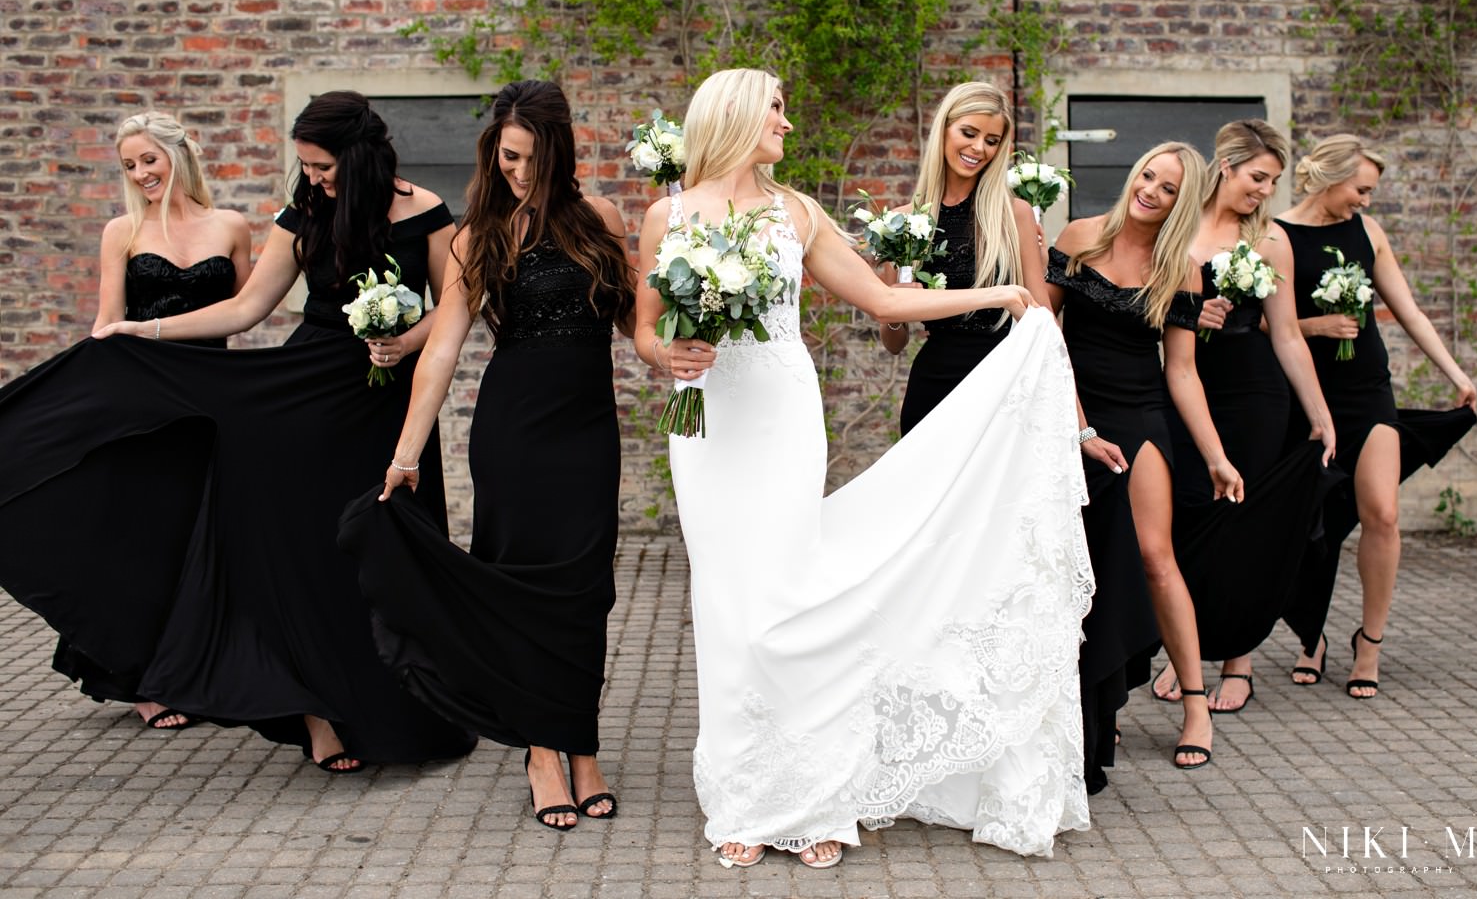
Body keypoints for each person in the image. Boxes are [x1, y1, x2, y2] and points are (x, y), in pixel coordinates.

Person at [635, 68, 1094, 870]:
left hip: (780, 414)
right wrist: (666, 353)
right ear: (739, 114)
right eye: (776, 107)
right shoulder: (664, 214)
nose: (787, 119)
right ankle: (745, 795)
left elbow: (883, 305)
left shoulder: (797, 212)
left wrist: (1000, 295)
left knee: (792, 597)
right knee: (726, 601)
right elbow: (644, 329)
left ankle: (815, 800)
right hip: (706, 422)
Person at [39, 91, 477, 771]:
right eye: (305, 166)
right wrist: (140, 329)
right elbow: (245, 308)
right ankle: (317, 714)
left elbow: (456, 304)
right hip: (303, 396)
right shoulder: (303, 213)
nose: (313, 178)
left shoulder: (425, 212)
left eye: (323, 166)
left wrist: (406, 339)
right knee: (306, 552)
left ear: (360, 158)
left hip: (385, 403)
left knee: (387, 554)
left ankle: (407, 707)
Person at [335, 80, 633, 830]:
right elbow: (441, 351)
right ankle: (542, 751)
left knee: (585, 589)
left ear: (561, 149)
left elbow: (638, 323)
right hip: (514, 433)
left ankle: (583, 747)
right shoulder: (479, 233)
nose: (518, 172)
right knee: (525, 585)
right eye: (508, 156)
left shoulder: (602, 219)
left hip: (589, 429)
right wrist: (406, 454)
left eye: (532, 158)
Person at [1044, 142, 1244, 791]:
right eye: (1148, 174)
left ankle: (1194, 704)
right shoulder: (1077, 237)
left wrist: (1215, 455)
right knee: (1078, 562)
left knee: (1156, 558)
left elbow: (1182, 372)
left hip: (1141, 417)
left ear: (1182, 202)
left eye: (1168, 187)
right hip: (1068, 416)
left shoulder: (1180, 270)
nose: (1152, 190)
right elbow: (1043, 342)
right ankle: (1099, 700)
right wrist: (1078, 427)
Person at [49, 111, 252, 731]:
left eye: (148, 161)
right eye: (130, 166)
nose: (140, 175)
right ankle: (138, 677)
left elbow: (245, 313)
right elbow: (107, 323)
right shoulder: (123, 231)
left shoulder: (232, 226)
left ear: (179, 154)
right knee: (144, 537)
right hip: (143, 403)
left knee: (203, 537)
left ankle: (200, 668)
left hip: (210, 399)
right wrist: (89, 407)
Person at [1274, 135, 1476, 699]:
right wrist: (1317, 328)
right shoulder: (1277, 237)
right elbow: (1266, 325)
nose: (1366, 200)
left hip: (1368, 392)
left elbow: (1407, 309)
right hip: (1304, 396)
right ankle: (1309, 636)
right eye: (1361, 189)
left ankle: (1371, 641)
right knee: (1311, 524)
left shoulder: (1369, 233)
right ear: (1330, 178)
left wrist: (1456, 374)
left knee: (1382, 514)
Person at [1147, 119, 1335, 714]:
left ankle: (1238, 660)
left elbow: (1285, 336)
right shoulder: (1170, 228)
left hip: (1254, 393)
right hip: (1182, 387)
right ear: (1224, 166)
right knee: (1189, 519)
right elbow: (1140, 312)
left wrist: (1321, 415)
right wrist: (1184, 318)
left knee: (1242, 521)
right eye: (1258, 177)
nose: (1264, 190)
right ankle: (1189, 650)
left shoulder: (1270, 239)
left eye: (1274, 181)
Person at [878, 82, 1048, 433]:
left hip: (1002, 387)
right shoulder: (903, 223)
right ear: (944, 129)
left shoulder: (1013, 214)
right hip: (933, 389)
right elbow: (894, 343)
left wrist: (1078, 425)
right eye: (968, 133)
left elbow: (1043, 321)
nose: (978, 148)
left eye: (991, 140)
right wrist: (894, 303)